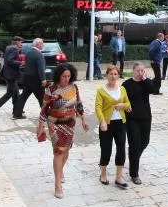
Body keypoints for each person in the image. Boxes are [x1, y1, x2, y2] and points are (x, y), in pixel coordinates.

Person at [37, 63, 89, 198]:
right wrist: (41, 125)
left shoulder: (74, 87)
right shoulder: (51, 89)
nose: (66, 78)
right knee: (58, 151)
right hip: (55, 124)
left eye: (68, 76)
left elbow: (78, 104)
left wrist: (83, 119)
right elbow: (44, 108)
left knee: (66, 151)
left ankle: (60, 171)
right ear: (58, 76)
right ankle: (57, 185)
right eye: (63, 76)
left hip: (70, 124)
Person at [123, 62, 161, 184]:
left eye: (142, 71)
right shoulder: (126, 84)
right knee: (135, 144)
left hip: (145, 117)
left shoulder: (146, 82)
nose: (140, 73)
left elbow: (154, 90)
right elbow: (122, 99)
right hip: (132, 118)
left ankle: (133, 158)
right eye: (138, 71)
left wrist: (145, 80)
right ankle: (134, 174)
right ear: (133, 71)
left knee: (145, 141)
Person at [95, 66, 131, 189]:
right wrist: (102, 121)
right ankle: (103, 173)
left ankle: (119, 176)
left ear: (118, 76)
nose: (113, 76)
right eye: (111, 74)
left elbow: (128, 104)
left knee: (121, 148)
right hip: (107, 123)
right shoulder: (101, 90)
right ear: (107, 75)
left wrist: (122, 105)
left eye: (115, 74)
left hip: (121, 122)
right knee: (106, 149)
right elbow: (98, 107)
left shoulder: (122, 89)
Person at [0, 36, 23, 118]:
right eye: (21, 42)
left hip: (9, 74)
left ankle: (16, 110)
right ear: (17, 42)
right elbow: (10, 60)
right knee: (10, 93)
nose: (21, 44)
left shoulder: (9, 47)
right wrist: (20, 62)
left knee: (16, 93)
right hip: (11, 75)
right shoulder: (14, 49)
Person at [13, 38, 46, 118]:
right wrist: (43, 79)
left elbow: (26, 65)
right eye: (42, 43)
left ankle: (17, 113)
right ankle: (45, 114)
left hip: (27, 77)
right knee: (42, 97)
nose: (43, 45)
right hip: (36, 79)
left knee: (23, 96)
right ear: (38, 44)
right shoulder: (39, 54)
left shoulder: (28, 53)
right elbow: (40, 68)